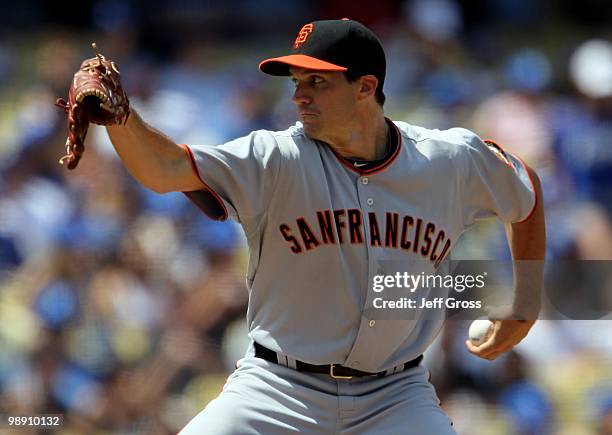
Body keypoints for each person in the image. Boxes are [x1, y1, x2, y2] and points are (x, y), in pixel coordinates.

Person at [100, 19, 545, 435]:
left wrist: (524, 305)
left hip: (396, 396)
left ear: (365, 87)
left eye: (317, 82)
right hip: (277, 387)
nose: (299, 97)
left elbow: (524, 193)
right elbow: (164, 169)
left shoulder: (447, 161)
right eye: (297, 83)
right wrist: (120, 116)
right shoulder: (275, 158)